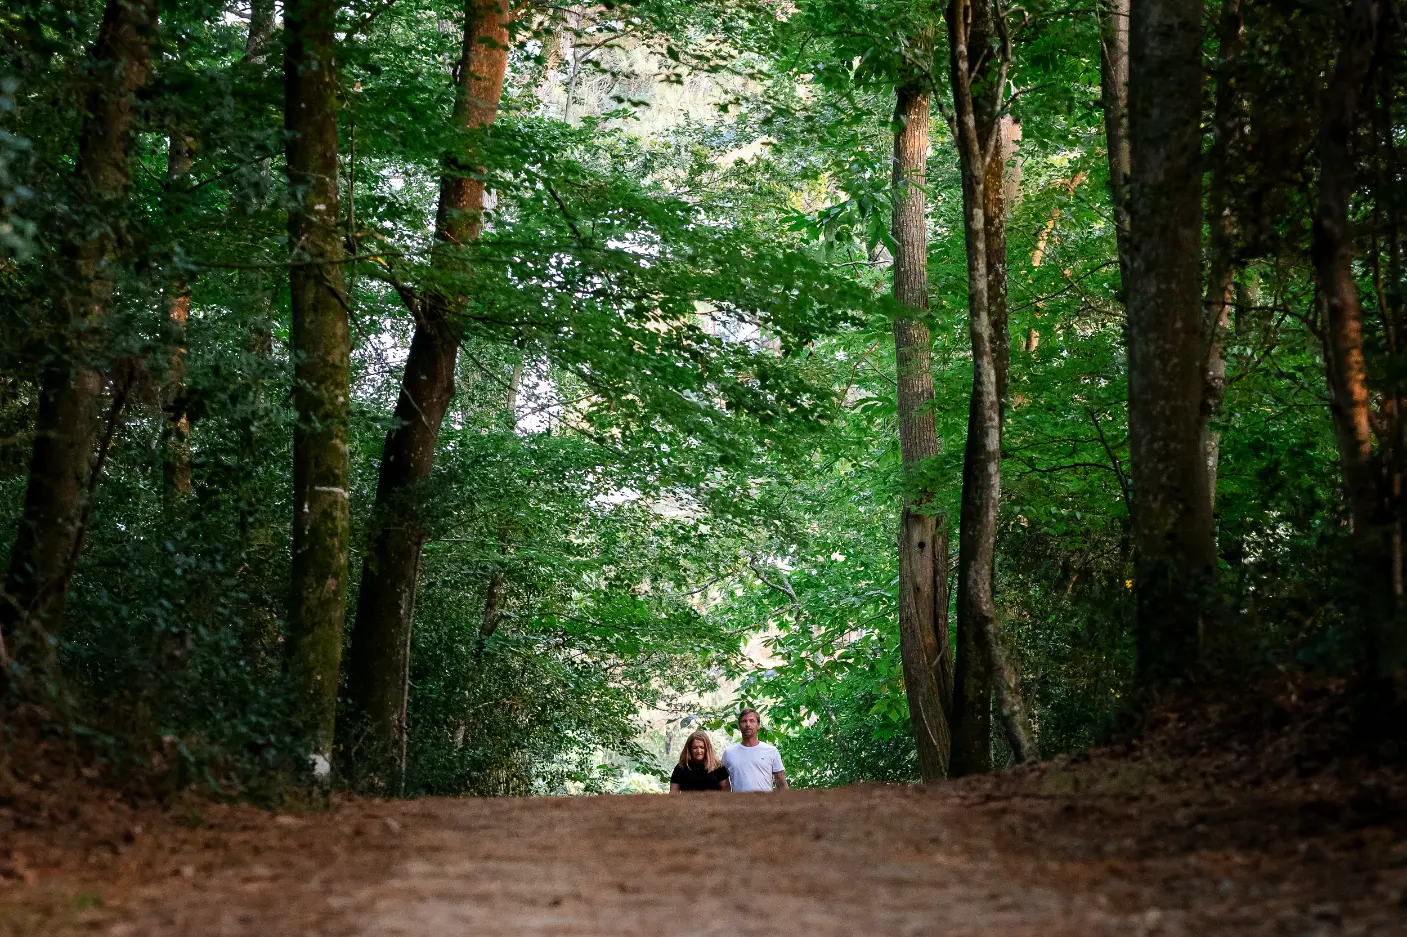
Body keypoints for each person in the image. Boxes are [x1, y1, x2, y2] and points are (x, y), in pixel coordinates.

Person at [722, 708, 788, 792]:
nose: (748, 724)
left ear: (758, 725)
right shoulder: (729, 753)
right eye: (744, 721)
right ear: (739, 726)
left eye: (752, 721)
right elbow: (723, 783)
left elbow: (781, 782)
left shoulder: (771, 751)